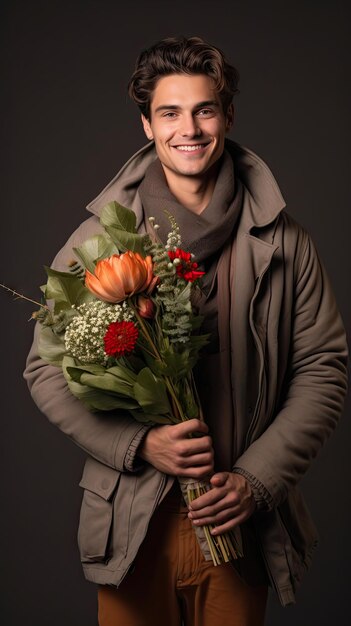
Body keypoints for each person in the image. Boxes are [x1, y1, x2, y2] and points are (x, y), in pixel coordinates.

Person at [24, 36, 348, 626]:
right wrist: (138, 444)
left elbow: (324, 369)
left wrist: (257, 480)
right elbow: (44, 369)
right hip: (131, 522)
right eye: (170, 113)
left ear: (226, 116)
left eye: (204, 109)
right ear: (147, 125)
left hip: (237, 524)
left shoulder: (286, 240)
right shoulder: (99, 243)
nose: (189, 129)